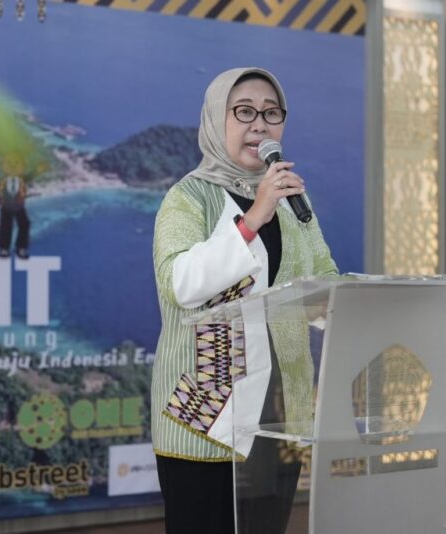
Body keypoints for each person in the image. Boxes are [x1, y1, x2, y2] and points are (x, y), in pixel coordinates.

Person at [152, 67, 338, 534]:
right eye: (245, 112)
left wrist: (346, 302)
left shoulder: (292, 201)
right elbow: (180, 282)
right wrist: (255, 216)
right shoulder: (189, 197)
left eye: (272, 113)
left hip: (279, 411)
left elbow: (322, 281)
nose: (260, 125)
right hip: (207, 412)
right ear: (218, 119)